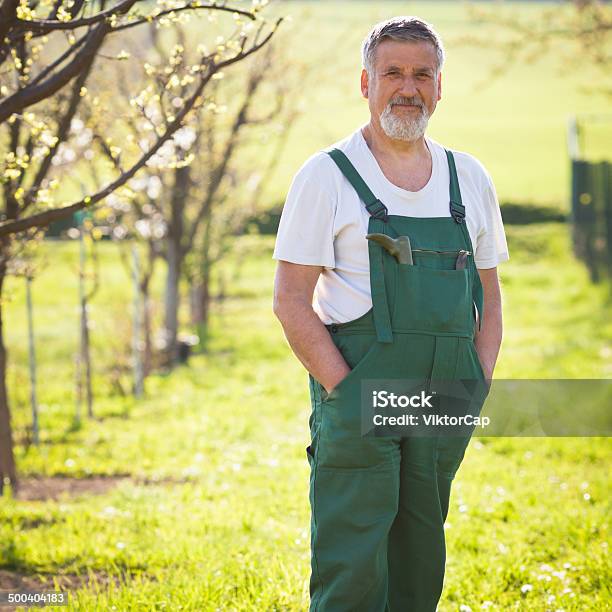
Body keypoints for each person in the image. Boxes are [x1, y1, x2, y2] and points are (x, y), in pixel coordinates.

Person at [272, 16, 508, 612]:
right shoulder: (326, 176)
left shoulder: (468, 178)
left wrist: (476, 381)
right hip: (359, 391)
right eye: (393, 72)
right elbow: (290, 299)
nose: (408, 87)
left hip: (443, 398)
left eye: (422, 74)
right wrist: (343, 390)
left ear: (439, 86)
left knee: (419, 559)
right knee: (352, 567)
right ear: (365, 82)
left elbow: (490, 293)